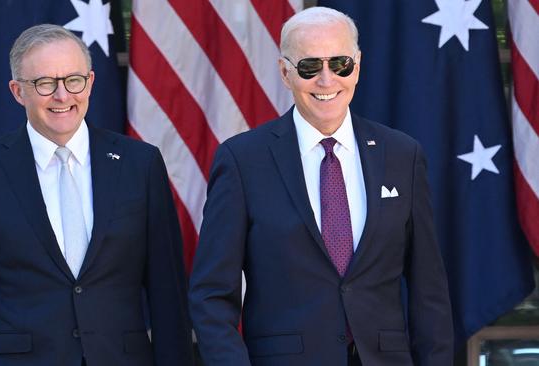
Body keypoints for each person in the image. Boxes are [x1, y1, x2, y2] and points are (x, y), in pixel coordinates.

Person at [188, 6, 453, 366]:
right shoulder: (243, 160)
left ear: (357, 66)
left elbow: (428, 290)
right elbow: (211, 295)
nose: (327, 80)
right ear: (285, 73)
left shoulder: (401, 155)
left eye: (340, 64)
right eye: (310, 67)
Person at [0, 24, 193, 366]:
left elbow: (167, 292)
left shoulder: (139, 164)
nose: (62, 95)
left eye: (73, 80)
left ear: (91, 83)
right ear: (17, 91)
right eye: (44, 83)